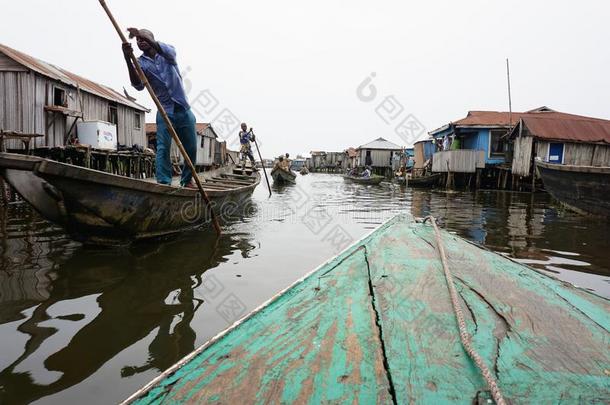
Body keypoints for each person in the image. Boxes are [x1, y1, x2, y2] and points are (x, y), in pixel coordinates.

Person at [122, 28, 197, 187]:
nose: (140, 41)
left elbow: (170, 53)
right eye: (138, 40)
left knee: (191, 148)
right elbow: (137, 85)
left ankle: (187, 180)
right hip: (164, 111)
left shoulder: (166, 53)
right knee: (163, 148)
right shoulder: (140, 62)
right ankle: (164, 182)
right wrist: (128, 58)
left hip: (183, 108)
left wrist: (145, 37)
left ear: (152, 38)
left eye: (144, 38)